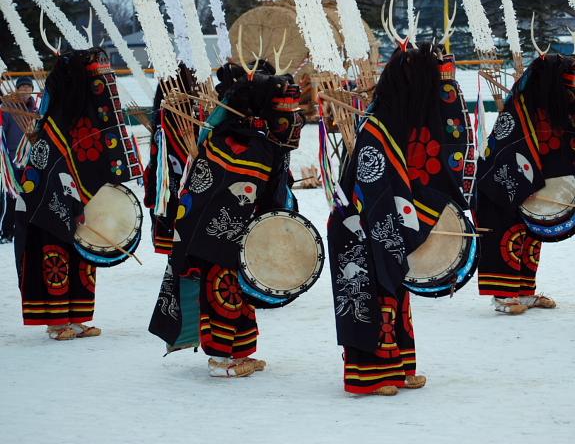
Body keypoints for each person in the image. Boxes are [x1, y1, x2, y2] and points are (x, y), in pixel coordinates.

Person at [328, 43, 469, 395]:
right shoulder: (378, 125)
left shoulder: (402, 120)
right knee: (371, 296)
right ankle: (371, 376)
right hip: (359, 224)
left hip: (387, 220)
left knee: (396, 294)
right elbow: (373, 186)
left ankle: (399, 368)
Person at [163, 63, 303, 377]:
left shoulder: (262, 142)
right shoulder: (239, 143)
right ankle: (219, 359)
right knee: (221, 290)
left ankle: (239, 353)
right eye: (284, 112)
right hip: (216, 239)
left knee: (239, 293)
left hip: (238, 237)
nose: (291, 121)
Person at [17, 48, 142, 340]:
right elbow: (50, 168)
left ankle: (76, 317)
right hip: (47, 206)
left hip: (78, 203)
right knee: (54, 255)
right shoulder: (58, 121)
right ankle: (56, 321)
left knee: (80, 256)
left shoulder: (86, 119)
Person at [474, 54, 575, 314]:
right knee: (506, 237)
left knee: (530, 237)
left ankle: (525, 292)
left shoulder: (553, 106)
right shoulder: (522, 105)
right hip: (501, 185)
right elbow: (509, 148)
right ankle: (504, 296)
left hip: (534, 183)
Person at [0, 76, 37, 243]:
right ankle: (6, 232)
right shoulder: (8, 109)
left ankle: (22, 230)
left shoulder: (35, 110)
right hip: (11, 160)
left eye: (29, 88)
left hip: (29, 161)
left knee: (28, 196)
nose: (26, 91)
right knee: (12, 197)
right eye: (22, 88)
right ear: (17, 90)